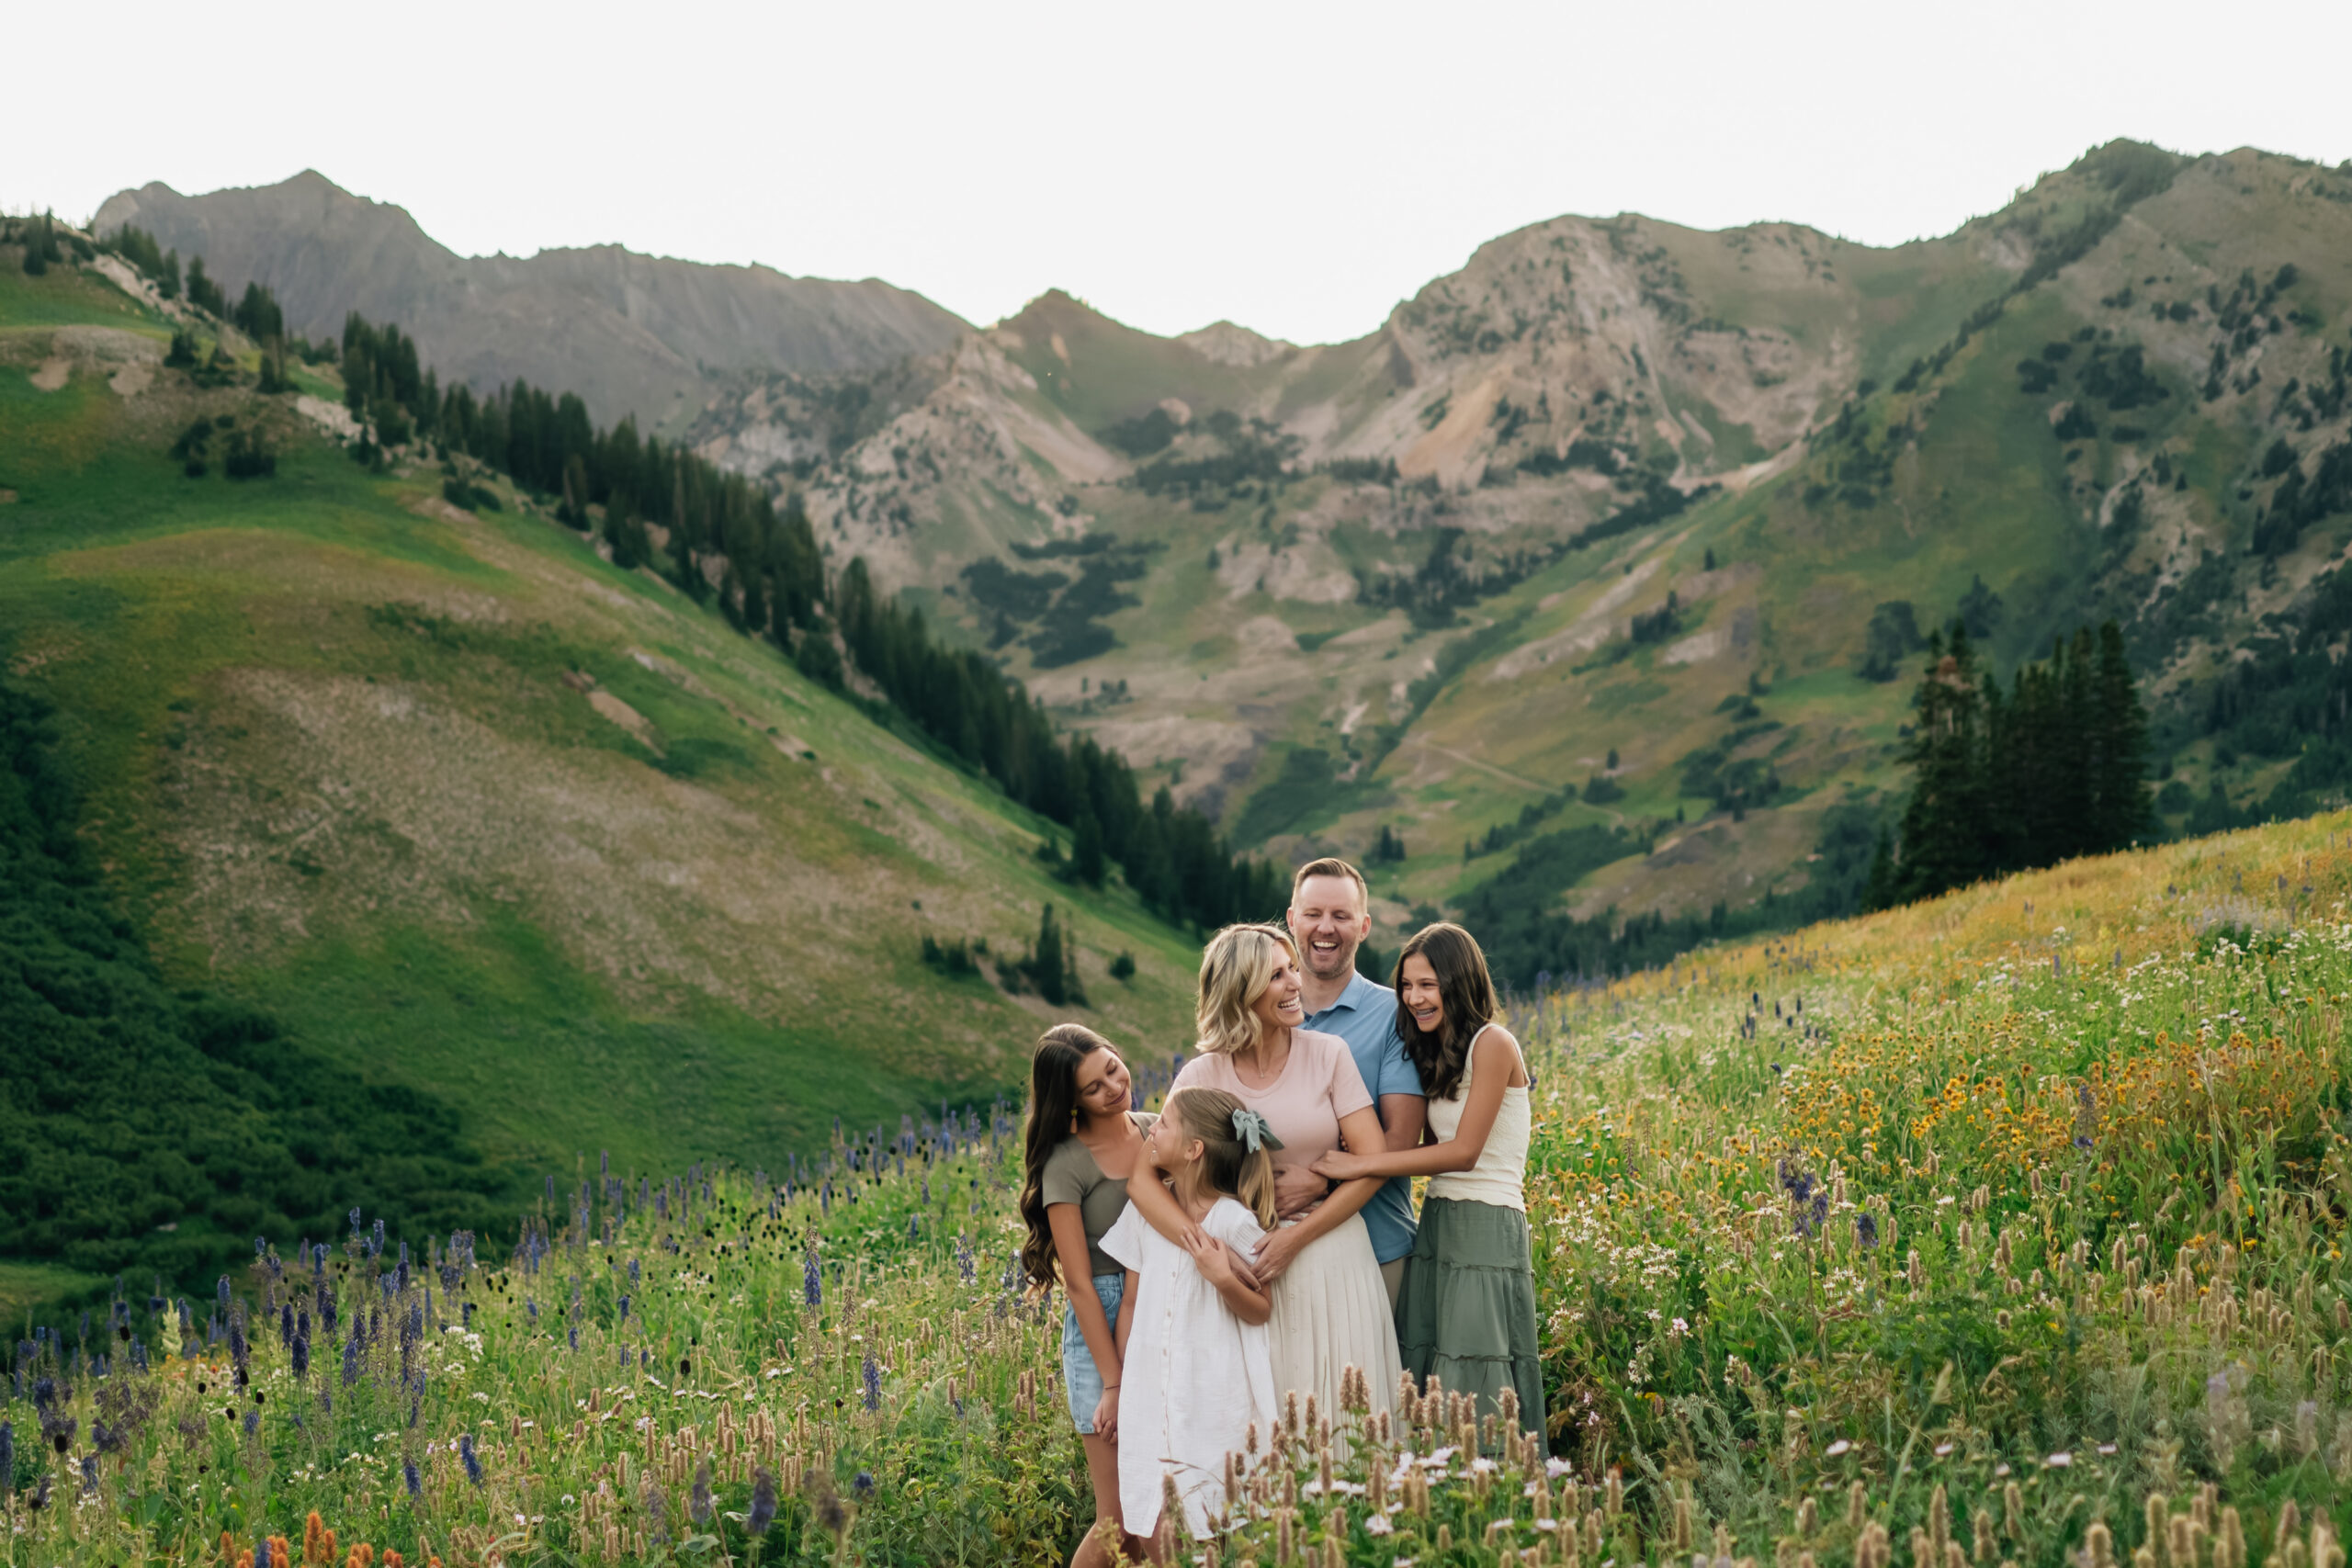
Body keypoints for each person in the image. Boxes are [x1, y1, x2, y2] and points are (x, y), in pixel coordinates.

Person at [1129, 922, 1401, 1427]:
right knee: (1263, 1423)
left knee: (1346, 1417)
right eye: (1278, 975)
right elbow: (1142, 1180)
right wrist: (1210, 1249)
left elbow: (1371, 1166)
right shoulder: (1201, 1075)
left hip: (1333, 1260)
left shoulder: (1328, 1055)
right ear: (1241, 993)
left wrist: (1295, 1240)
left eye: (1292, 969)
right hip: (1246, 1276)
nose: (1296, 983)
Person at [1310, 922, 1545, 1436]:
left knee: (1475, 1365)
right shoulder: (1439, 1048)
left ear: (1459, 983)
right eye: (1407, 986)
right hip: (1439, 1218)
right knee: (1431, 1361)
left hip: (1487, 1221)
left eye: (1428, 985)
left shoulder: (1493, 1043)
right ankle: (1434, 1484)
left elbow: (1462, 1153)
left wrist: (1362, 1163)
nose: (1414, 998)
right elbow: (1428, 1150)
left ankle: (1491, 1486)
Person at [1100, 1087, 1279, 1556]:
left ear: (1193, 1150)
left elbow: (1261, 1309)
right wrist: (1123, 1382)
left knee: (1211, 1521)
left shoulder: (1233, 1221)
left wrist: (1223, 1278)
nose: (1150, 1131)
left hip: (1210, 1394)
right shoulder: (1147, 1212)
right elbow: (1132, 1302)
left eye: (1162, 1124)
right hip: (1149, 1389)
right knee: (1151, 1522)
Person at [1016, 1024, 1156, 1568]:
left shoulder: (1155, 1131)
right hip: (1101, 1329)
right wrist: (1114, 1381)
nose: (1114, 1087)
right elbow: (1077, 1284)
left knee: (1158, 1511)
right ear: (1070, 1100)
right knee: (1118, 1518)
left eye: (1112, 1068)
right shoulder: (1067, 1163)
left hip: (1158, 1310)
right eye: (1093, 1087)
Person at [1287, 857, 1427, 1307]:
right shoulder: (1260, 1014)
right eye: (1313, 914)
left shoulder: (1394, 1015)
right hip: (1275, 1252)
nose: (1325, 928)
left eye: (1341, 916)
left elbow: (1400, 1143)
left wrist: (1318, 1183)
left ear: (1363, 926)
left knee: (1375, 1381)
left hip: (1376, 1248)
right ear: (1292, 920)